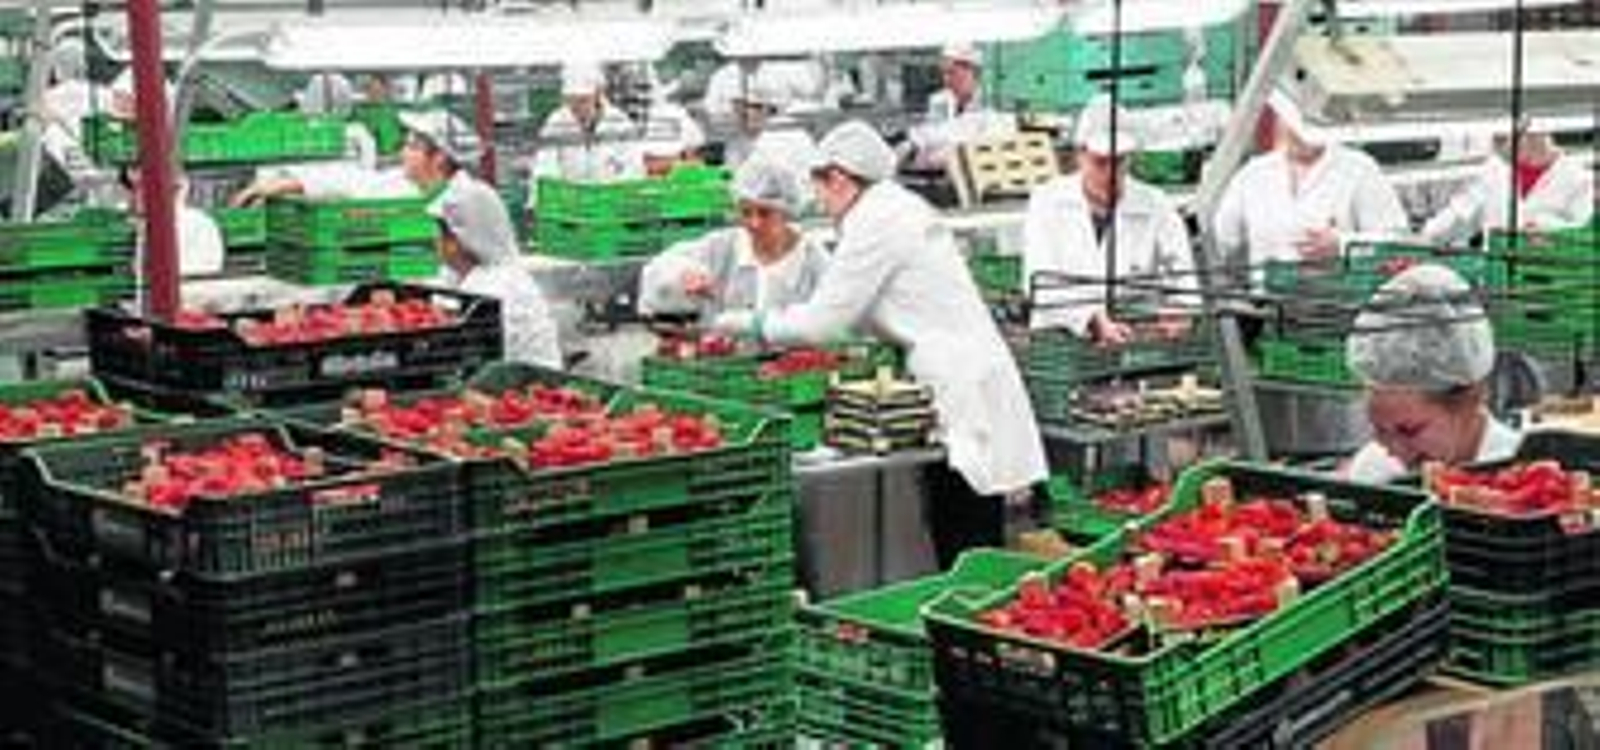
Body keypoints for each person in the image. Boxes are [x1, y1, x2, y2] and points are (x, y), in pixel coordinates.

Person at [711, 121, 1047, 567]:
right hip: (959, 372)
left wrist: (742, 323)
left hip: (956, 381)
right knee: (960, 522)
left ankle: (965, 619)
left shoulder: (877, 220)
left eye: (821, 184)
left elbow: (823, 325)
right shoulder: (894, 208)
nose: (819, 198)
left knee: (965, 530)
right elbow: (858, 299)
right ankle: (960, 612)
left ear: (842, 178)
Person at [1024, 96, 1193, 342]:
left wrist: (1178, 310)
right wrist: (1090, 317)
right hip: (1063, 347)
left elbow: (1183, 278)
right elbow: (1038, 283)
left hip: (1137, 344)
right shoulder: (1047, 201)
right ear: (1080, 155)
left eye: (1119, 162)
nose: (1111, 174)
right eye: (1100, 163)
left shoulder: (1156, 204)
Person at [1344, 264, 1521, 483]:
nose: (1394, 451)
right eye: (1380, 431)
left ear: (1471, 400)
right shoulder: (1373, 471)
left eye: (1409, 431)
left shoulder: (1524, 474)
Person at [1215, 86, 1407, 278]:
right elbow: (1223, 239)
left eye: (1307, 127)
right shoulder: (1253, 174)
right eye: (1291, 126)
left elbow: (1398, 242)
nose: (1299, 136)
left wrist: (1343, 244)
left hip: (1338, 302)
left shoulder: (1359, 169)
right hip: (1266, 303)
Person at [638, 159, 828, 322]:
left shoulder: (814, 262)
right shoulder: (722, 247)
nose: (754, 223)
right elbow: (657, 270)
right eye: (746, 212)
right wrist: (682, 274)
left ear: (787, 212)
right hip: (723, 360)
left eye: (765, 213)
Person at [427, 163, 562, 369]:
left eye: (439, 233)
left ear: (456, 242)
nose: (433, 241)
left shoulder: (490, 290)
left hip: (521, 390)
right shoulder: (487, 273)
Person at [230, 109, 466, 205]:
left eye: (413, 147)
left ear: (439, 159)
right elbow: (351, 181)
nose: (402, 152)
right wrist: (277, 185)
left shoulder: (465, 201)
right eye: (405, 145)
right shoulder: (401, 182)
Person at [1422, 119, 1594, 245]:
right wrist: (1426, 236)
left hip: (1552, 282)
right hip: (1498, 280)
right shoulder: (1496, 168)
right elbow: (1463, 211)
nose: (1499, 149)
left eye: (1501, 140)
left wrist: (1548, 228)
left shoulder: (1579, 180)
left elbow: (1585, 238)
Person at [527, 60, 640, 204]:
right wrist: (538, 202)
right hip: (568, 208)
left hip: (609, 208)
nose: (577, 109)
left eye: (583, 101)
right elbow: (543, 169)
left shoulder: (619, 124)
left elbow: (634, 171)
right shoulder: (556, 123)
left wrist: (609, 195)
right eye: (571, 101)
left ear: (598, 94)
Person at [905, 42, 1016, 171]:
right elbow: (926, 142)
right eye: (944, 73)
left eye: (952, 73)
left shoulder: (993, 105)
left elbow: (985, 149)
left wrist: (941, 150)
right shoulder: (938, 101)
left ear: (972, 72)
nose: (946, 80)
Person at [121, 166, 225, 278]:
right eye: (132, 188)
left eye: (143, 186)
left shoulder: (199, 225)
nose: (136, 196)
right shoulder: (136, 225)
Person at [721, 71, 819, 180]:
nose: (746, 112)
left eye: (755, 106)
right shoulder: (735, 144)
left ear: (768, 108)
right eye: (740, 106)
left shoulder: (794, 137)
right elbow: (731, 182)